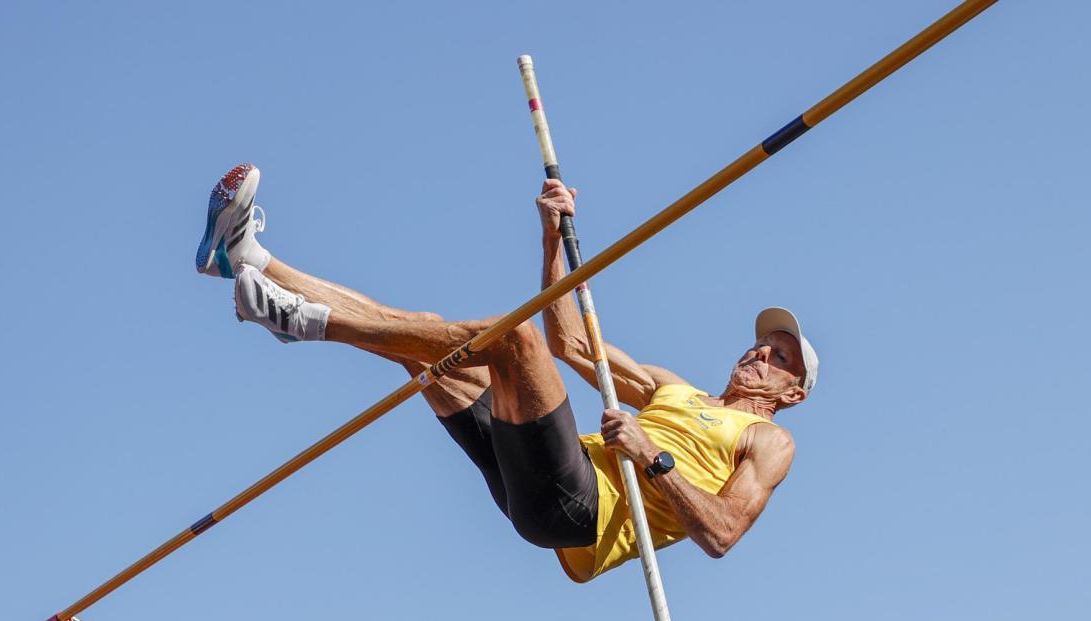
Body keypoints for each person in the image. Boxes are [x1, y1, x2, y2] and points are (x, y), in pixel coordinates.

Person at [195, 164, 819, 582]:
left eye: (779, 357)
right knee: (423, 340)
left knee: (510, 339)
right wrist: (551, 240)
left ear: (792, 393)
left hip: (582, 511)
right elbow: (570, 338)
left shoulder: (770, 440)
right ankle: (249, 259)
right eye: (762, 343)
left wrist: (654, 455)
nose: (760, 353)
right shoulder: (669, 386)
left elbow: (724, 533)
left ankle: (308, 322)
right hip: (544, 475)